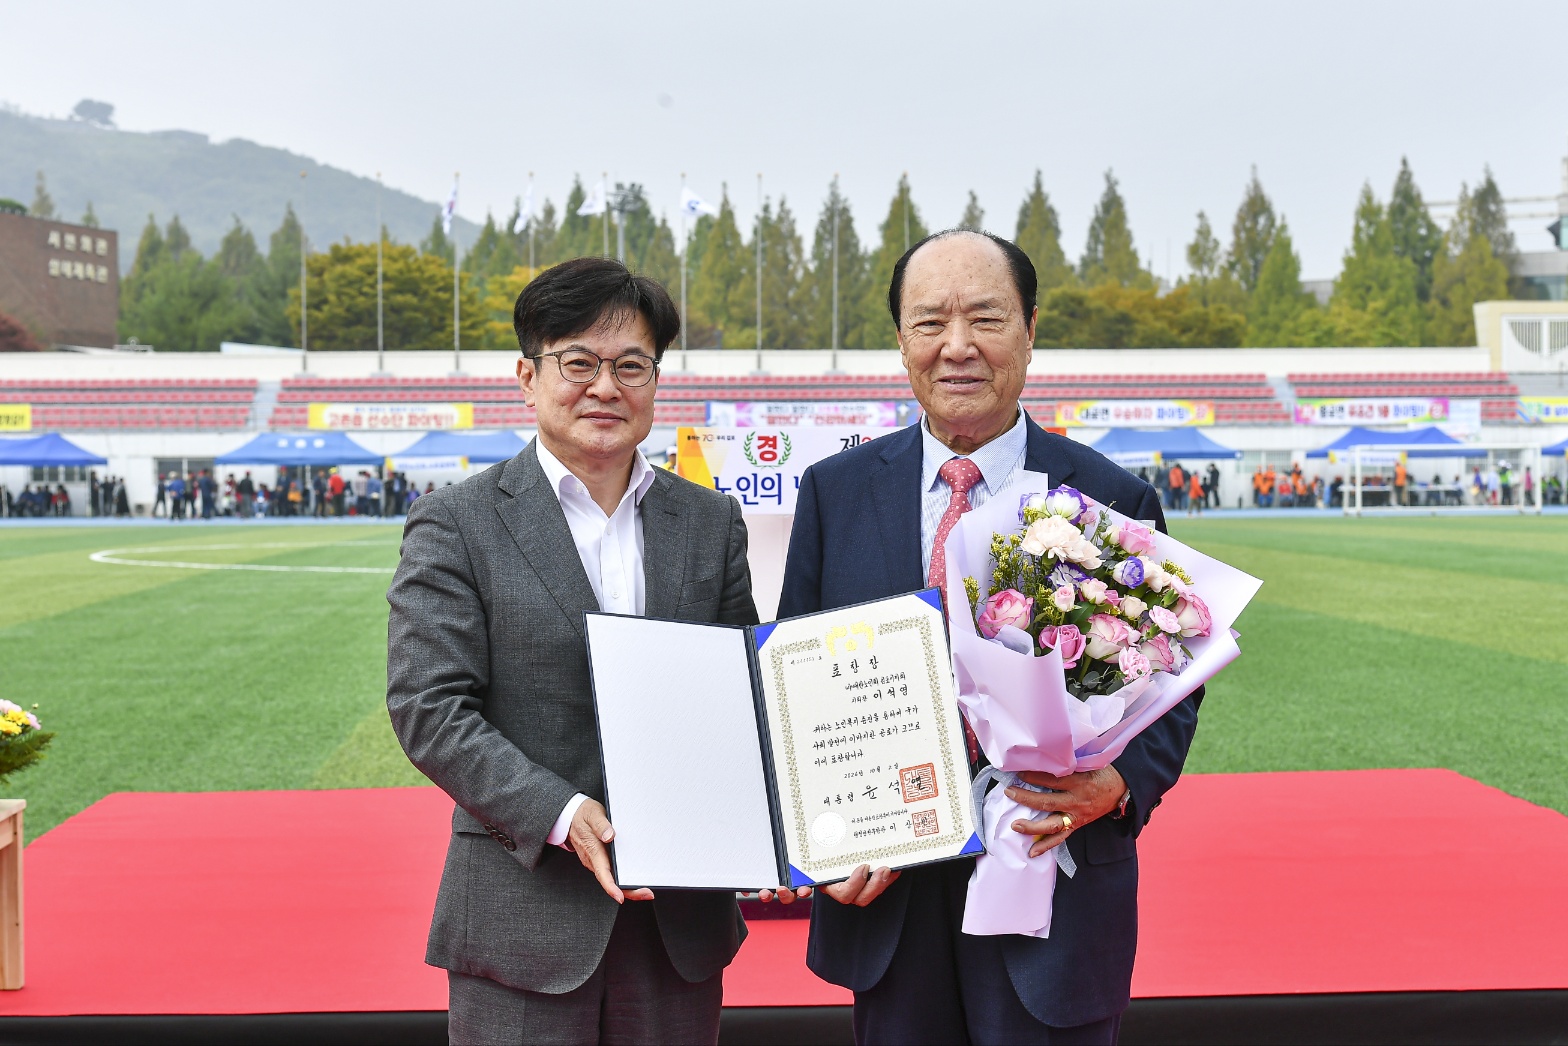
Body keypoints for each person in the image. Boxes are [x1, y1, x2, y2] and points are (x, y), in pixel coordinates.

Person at [779, 230, 1200, 1045]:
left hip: (1054, 875)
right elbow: (793, 682)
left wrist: (1119, 785)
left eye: (986, 317)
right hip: (888, 890)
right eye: (930, 322)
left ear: (1032, 330)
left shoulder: (1110, 495)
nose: (958, 346)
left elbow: (1174, 681)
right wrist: (815, 838)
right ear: (900, 341)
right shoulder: (835, 492)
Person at [387, 257, 799, 1045]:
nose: (605, 387)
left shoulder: (709, 523)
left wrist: (788, 829)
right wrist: (563, 812)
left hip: (679, 926)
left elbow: (742, 695)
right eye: (578, 362)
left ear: (655, 382)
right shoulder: (458, 523)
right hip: (523, 922)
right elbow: (428, 707)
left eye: (631, 365)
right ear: (527, 376)